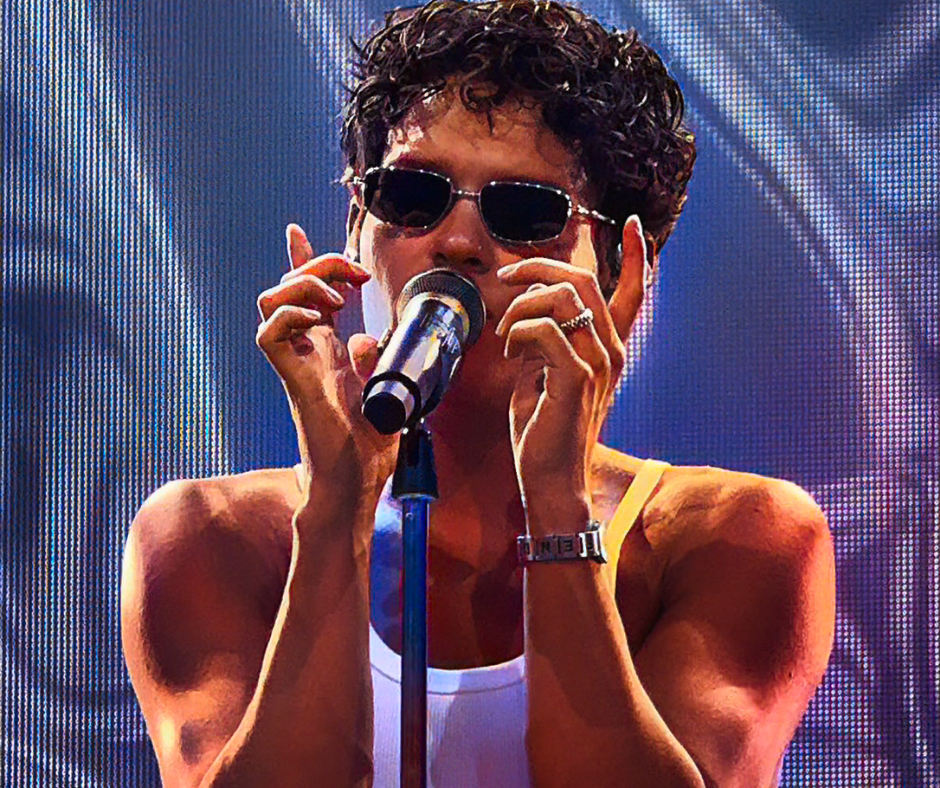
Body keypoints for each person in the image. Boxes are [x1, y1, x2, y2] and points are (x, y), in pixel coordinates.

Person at [120, 2, 836, 786]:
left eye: (523, 210)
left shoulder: (738, 539)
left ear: (621, 272)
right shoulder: (209, 538)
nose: (458, 243)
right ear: (355, 226)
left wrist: (557, 503)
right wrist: (335, 511)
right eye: (413, 196)